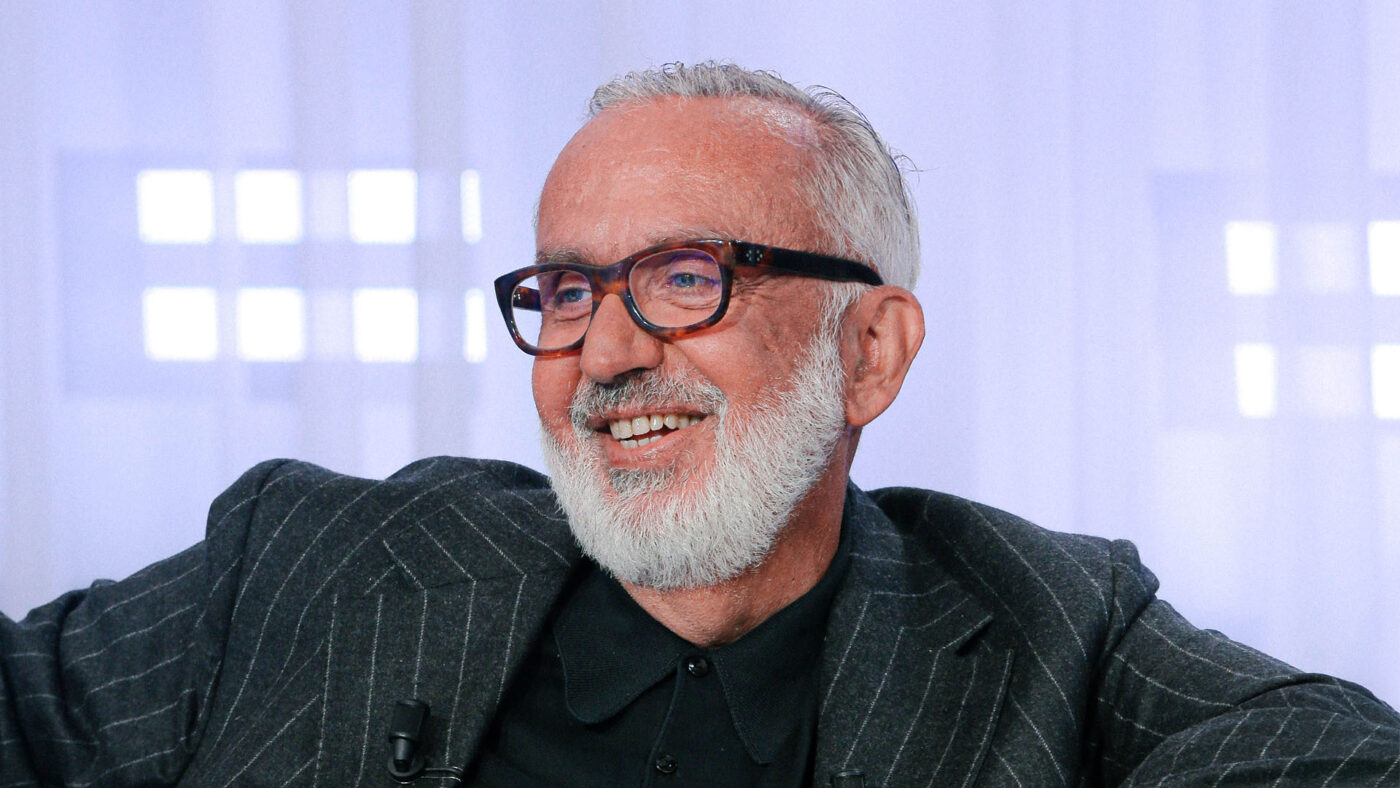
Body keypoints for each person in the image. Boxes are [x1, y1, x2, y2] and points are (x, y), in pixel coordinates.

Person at [2, 62, 1397, 787]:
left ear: (870, 352)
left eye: (685, 279)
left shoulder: (1052, 627)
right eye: (566, 290)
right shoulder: (317, 560)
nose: (605, 353)